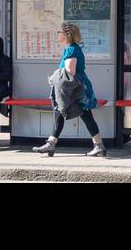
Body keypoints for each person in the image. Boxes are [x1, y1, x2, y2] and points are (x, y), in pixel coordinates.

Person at [34, 23, 104, 158]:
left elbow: (69, 71)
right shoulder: (71, 48)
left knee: (66, 112)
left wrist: (54, 77)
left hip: (75, 90)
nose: (57, 34)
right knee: (82, 115)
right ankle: (98, 146)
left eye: (59, 32)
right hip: (76, 88)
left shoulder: (72, 49)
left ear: (66, 35)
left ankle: (51, 144)